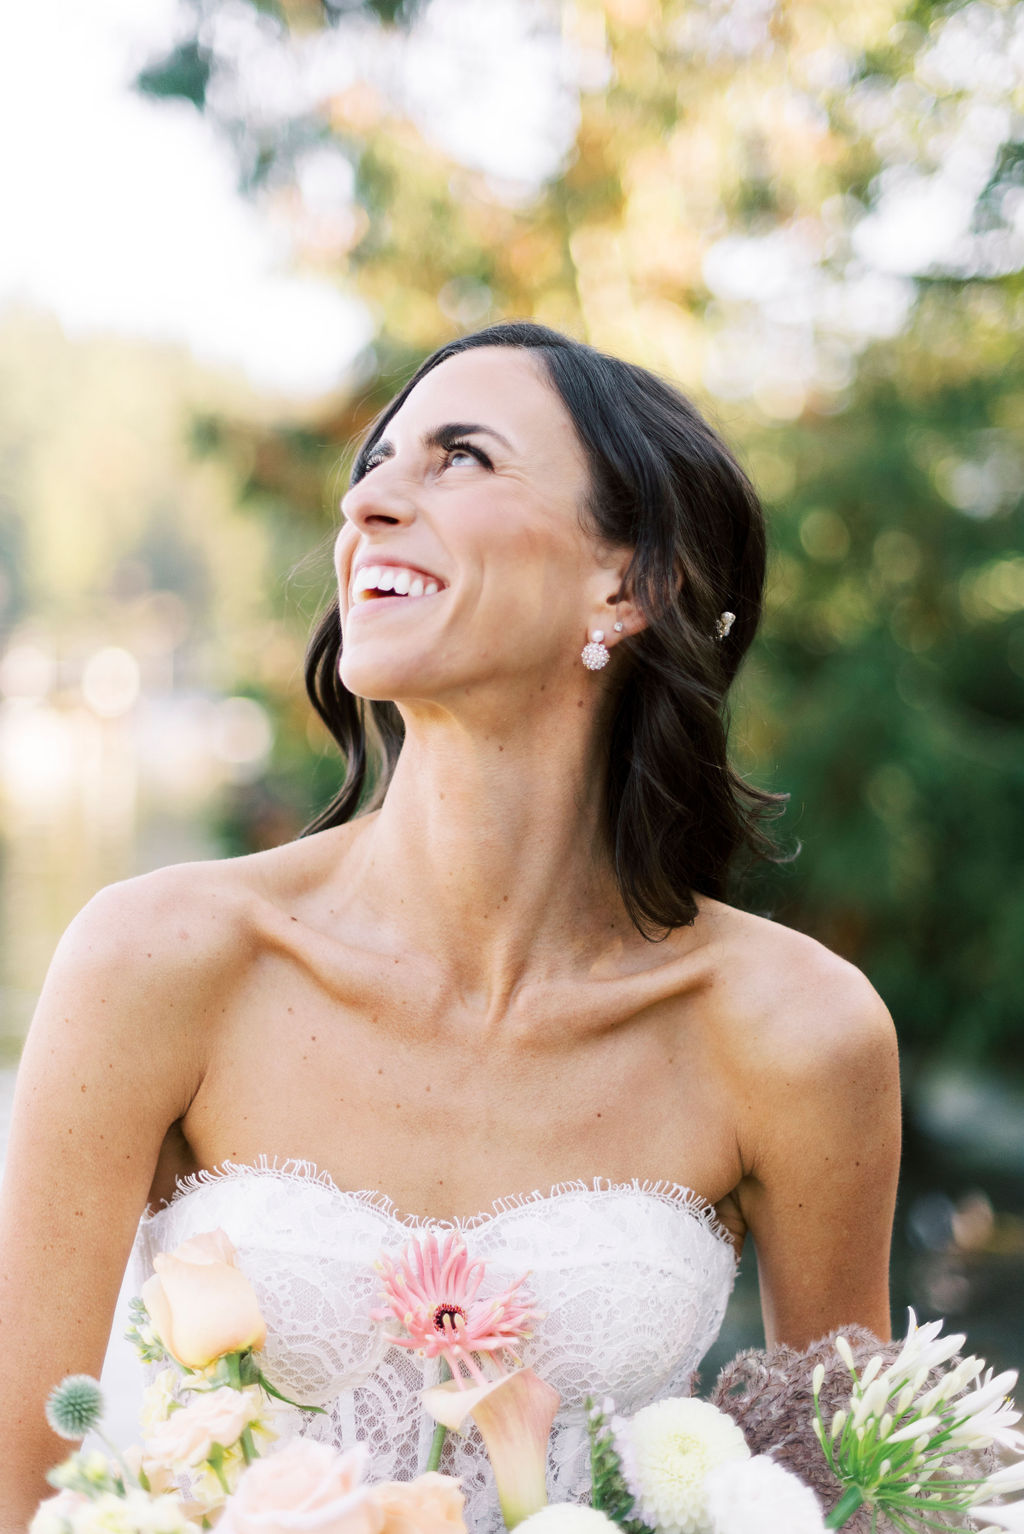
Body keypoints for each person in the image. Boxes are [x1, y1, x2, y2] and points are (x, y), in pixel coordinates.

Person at [0, 321, 901, 1529]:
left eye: (460, 457)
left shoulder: (801, 1031)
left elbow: (864, 1500)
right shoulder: (158, 959)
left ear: (630, 584)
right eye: (375, 463)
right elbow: (21, 1486)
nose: (369, 499)